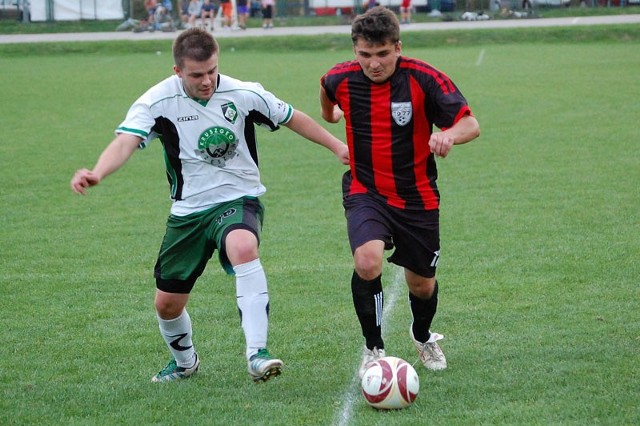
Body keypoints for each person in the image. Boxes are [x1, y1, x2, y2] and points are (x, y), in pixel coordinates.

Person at [71, 28, 349, 383]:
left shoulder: (244, 93)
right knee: (167, 304)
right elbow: (126, 141)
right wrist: (98, 172)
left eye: (212, 71)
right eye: (196, 75)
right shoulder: (157, 102)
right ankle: (185, 362)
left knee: (243, 245)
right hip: (188, 211)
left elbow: (292, 116)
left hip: (238, 197)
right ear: (178, 72)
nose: (207, 81)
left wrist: (337, 146)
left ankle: (256, 353)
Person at [319, 6, 480, 378]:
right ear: (355, 50)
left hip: (417, 195)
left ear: (398, 48)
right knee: (367, 261)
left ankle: (422, 335)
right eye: (365, 55)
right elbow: (326, 92)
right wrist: (331, 117)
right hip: (366, 189)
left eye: (382, 54)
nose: (374, 64)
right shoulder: (340, 78)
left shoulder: (424, 78)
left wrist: (447, 135)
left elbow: (470, 123)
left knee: (422, 284)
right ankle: (373, 347)